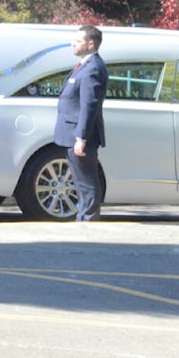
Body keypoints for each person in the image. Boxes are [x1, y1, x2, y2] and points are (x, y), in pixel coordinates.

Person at [54, 25, 108, 222]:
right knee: (79, 180)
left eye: (77, 41)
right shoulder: (84, 66)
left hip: (80, 135)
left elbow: (89, 105)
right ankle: (84, 218)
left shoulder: (93, 68)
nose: (73, 44)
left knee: (86, 181)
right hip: (72, 132)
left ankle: (89, 221)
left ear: (90, 44)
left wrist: (81, 138)